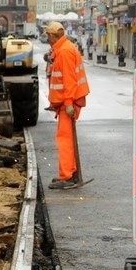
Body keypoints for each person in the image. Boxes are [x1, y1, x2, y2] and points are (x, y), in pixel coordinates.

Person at [45, 22, 90, 190]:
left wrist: (69, 103)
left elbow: (69, 81)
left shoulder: (64, 51)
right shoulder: (64, 48)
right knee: (67, 137)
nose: (46, 38)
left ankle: (67, 176)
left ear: (53, 36)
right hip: (66, 102)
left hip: (68, 103)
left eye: (48, 35)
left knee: (64, 139)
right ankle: (70, 172)